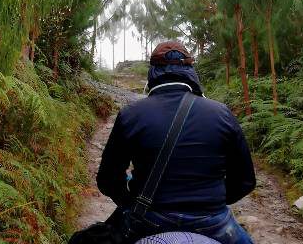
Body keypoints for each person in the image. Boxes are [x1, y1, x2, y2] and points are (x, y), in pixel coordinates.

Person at [96, 41, 256, 244]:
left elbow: (108, 179)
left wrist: (130, 202)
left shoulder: (130, 114)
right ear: (190, 71)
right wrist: (211, 203)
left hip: (147, 220)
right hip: (213, 222)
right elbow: (246, 181)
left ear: (153, 72)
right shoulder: (222, 113)